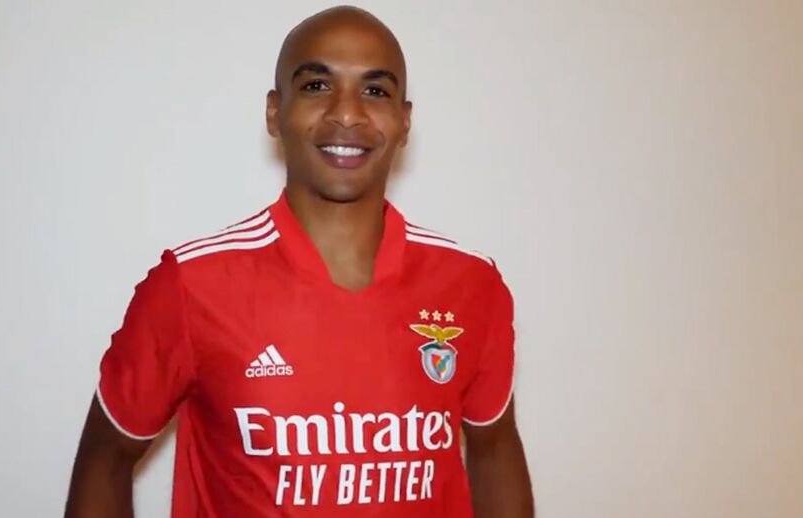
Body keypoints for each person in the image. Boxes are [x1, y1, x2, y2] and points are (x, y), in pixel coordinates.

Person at [65, 6, 534, 518]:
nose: (347, 113)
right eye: (316, 86)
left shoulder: (472, 284)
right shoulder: (192, 285)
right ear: (275, 112)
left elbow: (494, 447)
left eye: (375, 91)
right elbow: (105, 459)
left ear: (404, 121)